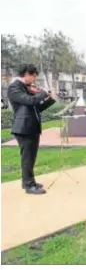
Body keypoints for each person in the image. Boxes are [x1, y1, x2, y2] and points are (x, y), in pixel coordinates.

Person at [7, 64, 56, 194]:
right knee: (27, 158)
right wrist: (42, 92)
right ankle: (29, 185)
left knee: (31, 157)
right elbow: (31, 101)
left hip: (31, 127)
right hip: (23, 128)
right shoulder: (14, 87)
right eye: (34, 77)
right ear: (27, 74)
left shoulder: (25, 88)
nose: (34, 80)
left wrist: (50, 100)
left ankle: (29, 181)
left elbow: (36, 107)